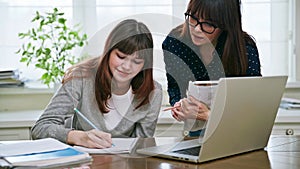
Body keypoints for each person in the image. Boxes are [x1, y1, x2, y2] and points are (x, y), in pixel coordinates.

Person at [31, 19, 163, 148]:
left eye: (136, 61)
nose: (127, 67)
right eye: (121, 57)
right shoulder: (80, 78)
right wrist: (78, 137)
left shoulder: (153, 92)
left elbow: (142, 146)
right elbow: (40, 129)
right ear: (109, 51)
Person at [162, 0, 261, 136]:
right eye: (193, 17)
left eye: (208, 24)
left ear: (225, 25)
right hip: (196, 130)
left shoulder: (244, 49)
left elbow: (253, 104)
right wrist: (179, 107)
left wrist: (209, 115)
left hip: (238, 130)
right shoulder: (174, 43)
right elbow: (175, 87)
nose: (197, 29)